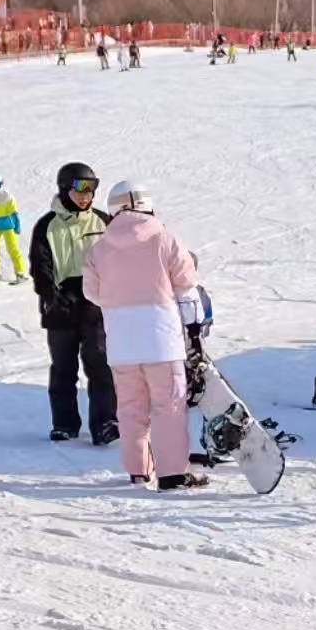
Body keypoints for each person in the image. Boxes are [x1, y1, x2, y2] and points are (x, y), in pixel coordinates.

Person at [82, 181, 208, 491]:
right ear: (147, 205)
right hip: (161, 341)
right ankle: (173, 474)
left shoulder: (99, 249)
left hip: (121, 344)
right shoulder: (165, 239)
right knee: (169, 407)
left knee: (130, 408)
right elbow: (187, 291)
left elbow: (92, 294)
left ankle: (139, 471)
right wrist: (194, 332)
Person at [30, 162, 119, 444]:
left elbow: (119, 261)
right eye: (80, 188)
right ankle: (65, 424)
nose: (86, 195)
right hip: (60, 305)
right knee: (63, 368)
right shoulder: (47, 225)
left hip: (95, 304)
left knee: (101, 366)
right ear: (65, 188)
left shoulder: (104, 222)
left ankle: (105, 422)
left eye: (91, 189)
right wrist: (51, 297)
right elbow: (40, 266)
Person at [0, 171, 27, 281]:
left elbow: (14, 213)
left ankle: (20, 272)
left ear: (2, 183)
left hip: (7, 225)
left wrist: (17, 225)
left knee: (13, 248)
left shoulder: (8, 196)